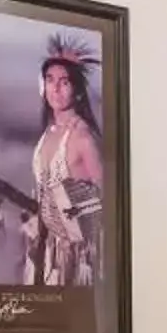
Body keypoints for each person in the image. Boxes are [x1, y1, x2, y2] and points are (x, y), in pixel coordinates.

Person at [26, 38, 104, 286]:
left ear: (78, 90)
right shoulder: (47, 134)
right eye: (50, 80)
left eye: (64, 82)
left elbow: (112, 203)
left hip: (81, 259)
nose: (56, 89)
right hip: (47, 252)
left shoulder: (83, 137)